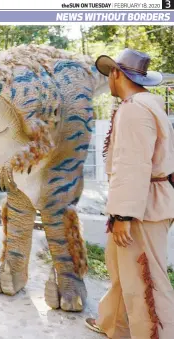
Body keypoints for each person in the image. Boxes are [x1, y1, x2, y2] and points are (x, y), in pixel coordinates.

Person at [85, 49, 174, 338]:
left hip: (140, 207)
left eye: (109, 74)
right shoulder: (142, 105)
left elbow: (134, 163)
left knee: (146, 282)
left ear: (117, 74)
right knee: (122, 272)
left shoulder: (135, 109)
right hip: (139, 201)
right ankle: (114, 325)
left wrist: (124, 214)